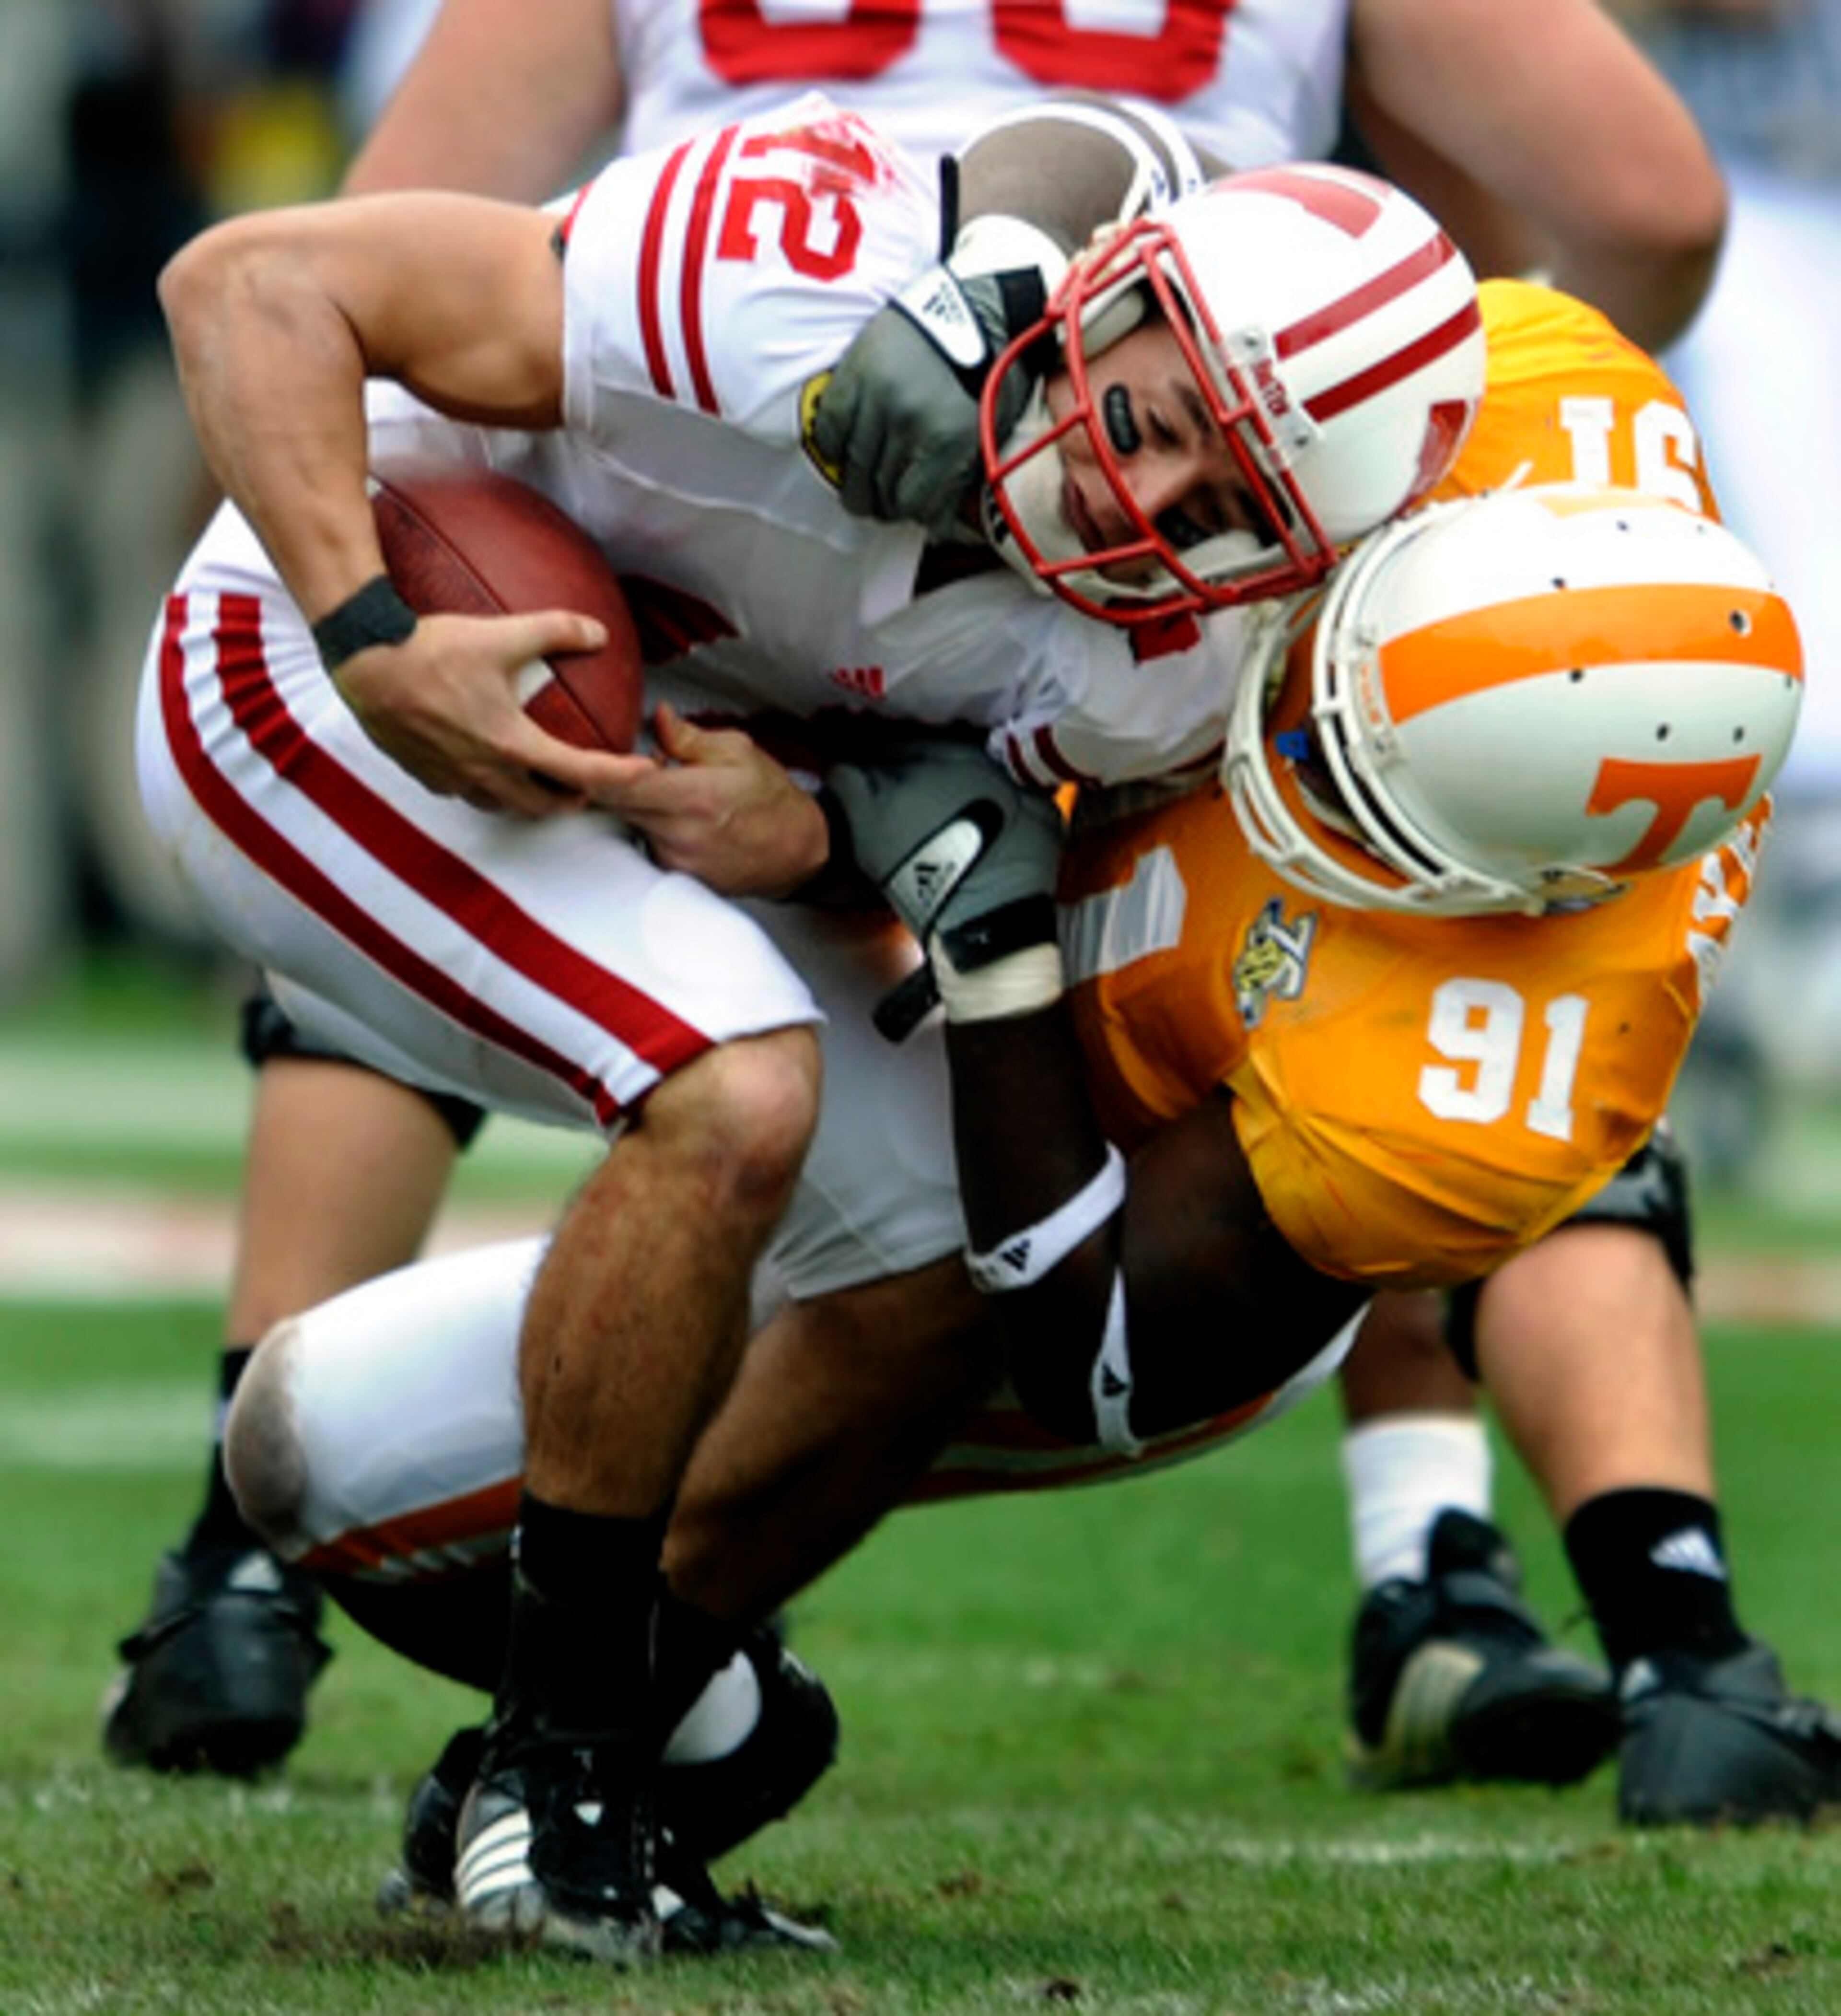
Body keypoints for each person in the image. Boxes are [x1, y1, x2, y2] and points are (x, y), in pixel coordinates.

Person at [102, 0, 1728, 1780]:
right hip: (366, 630)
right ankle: (555, 1757)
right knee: (727, 1072)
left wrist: (865, 852)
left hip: (743, 684)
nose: (1136, 480)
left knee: (903, 1203)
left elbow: (1089, 1296)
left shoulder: (1190, 661)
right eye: (1153, 409)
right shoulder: (766, 274)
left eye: (1216, 497)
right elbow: (278, 284)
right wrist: (374, 625)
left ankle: (585, 1657)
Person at [216, 452, 1804, 1924]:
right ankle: (694, 1714)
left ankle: (602, 1746)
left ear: (1517, 895)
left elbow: (1085, 1338)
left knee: (370, 1465)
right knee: (291, 1445)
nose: (1297, 749)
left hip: (1088, 1245)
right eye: (1336, 679)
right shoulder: (1505, 407)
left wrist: (992, 942)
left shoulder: (1471, 1087)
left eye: (1360, 794)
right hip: (927, 1041)